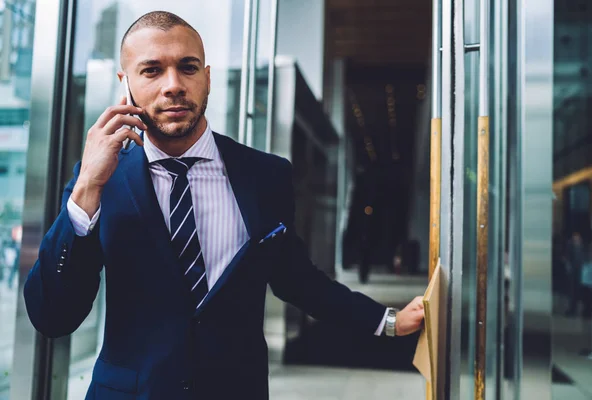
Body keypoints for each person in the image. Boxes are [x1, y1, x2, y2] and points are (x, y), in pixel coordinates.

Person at [23, 11, 424, 400]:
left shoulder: (265, 175)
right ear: (124, 83)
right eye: (152, 70)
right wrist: (88, 187)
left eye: (188, 67)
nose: (173, 84)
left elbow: (298, 280)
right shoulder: (99, 180)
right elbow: (53, 315)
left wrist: (388, 322)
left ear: (208, 77)